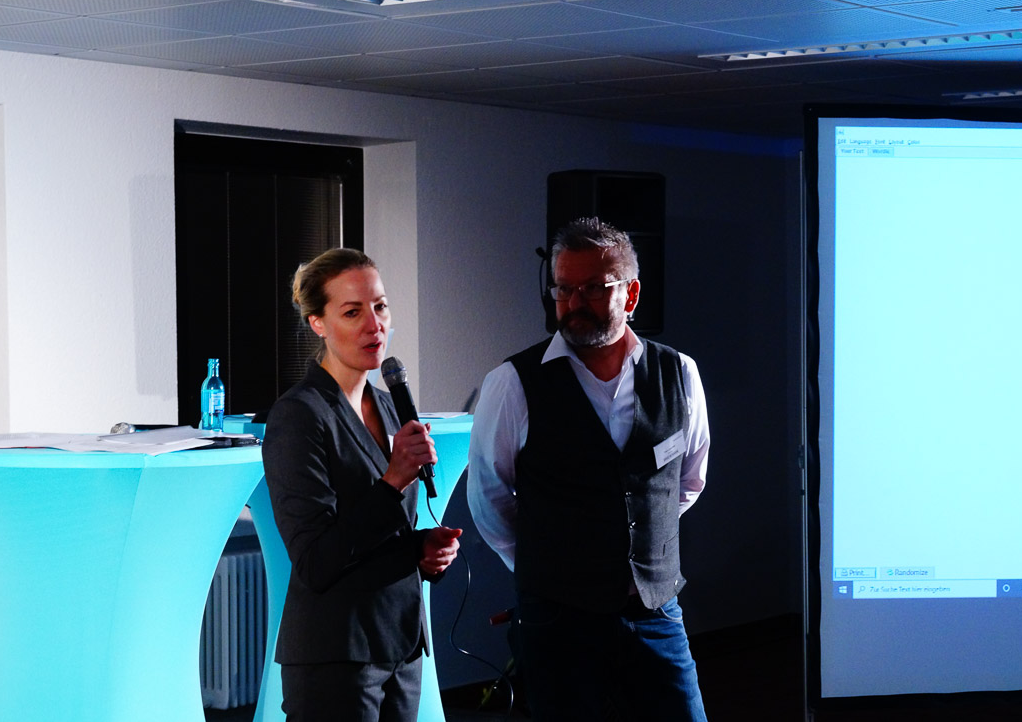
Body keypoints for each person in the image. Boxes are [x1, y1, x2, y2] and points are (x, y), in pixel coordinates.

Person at [467, 217, 711, 722]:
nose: (574, 302)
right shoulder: (512, 383)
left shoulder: (679, 373)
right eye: (563, 288)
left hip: (655, 609)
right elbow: (488, 497)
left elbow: (688, 480)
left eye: (594, 289)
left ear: (631, 293)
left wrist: (641, 544)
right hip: (558, 617)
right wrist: (544, 567)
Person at [262, 248, 462, 722]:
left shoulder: (391, 406)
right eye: (352, 312)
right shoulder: (299, 416)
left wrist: (420, 549)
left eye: (380, 306)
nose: (375, 325)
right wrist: (392, 482)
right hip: (337, 654)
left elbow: (380, 529)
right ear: (318, 323)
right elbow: (316, 560)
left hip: (401, 647)